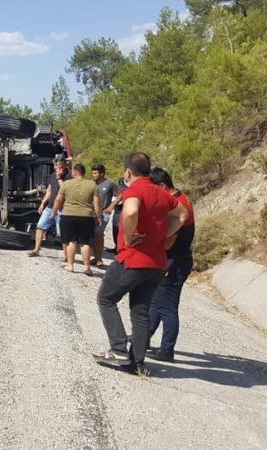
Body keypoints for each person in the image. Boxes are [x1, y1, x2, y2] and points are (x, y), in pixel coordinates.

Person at [92, 152, 188, 376]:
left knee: (105, 298)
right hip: (157, 263)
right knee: (141, 311)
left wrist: (128, 235)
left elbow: (132, 210)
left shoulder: (134, 190)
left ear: (127, 172)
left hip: (133, 258)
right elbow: (181, 215)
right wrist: (163, 235)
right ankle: (137, 361)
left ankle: (118, 351)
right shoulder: (161, 192)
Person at [148, 168, 195, 362]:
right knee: (155, 303)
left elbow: (169, 239)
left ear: (161, 186)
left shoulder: (177, 206)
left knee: (167, 307)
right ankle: (142, 338)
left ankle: (167, 351)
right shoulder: (180, 199)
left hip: (175, 261)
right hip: (174, 260)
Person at [53, 163, 101, 276]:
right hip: (86, 216)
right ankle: (87, 267)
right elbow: (97, 203)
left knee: (71, 241)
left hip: (69, 215)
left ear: (74, 172)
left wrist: (54, 212)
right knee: (85, 243)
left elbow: (58, 200)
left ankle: (70, 265)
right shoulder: (92, 185)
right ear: (84, 173)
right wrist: (98, 217)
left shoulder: (66, 184)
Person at [28, 157, 69, 257]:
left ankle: (66, 256)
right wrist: (43, 203)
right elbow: (50, 190)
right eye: (55, 166)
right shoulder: (52, 175)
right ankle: (36, 250)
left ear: (63, 166)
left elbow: (66, 189)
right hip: (50, 207)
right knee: (40, 226)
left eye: (58, 166)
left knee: (62, 233)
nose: (56, 168)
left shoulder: (69, 176)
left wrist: (59, 178)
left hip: (62, 208)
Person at [91, 164, 118, 269]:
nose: (93, 175)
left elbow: (122, 194)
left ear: (102, 174)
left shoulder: (110, 184)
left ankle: (99, 260)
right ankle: (94, 257)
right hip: (90, 213)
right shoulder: (91, 183)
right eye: (92, 173)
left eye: (96, 173)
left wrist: (112, 205)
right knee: (92, 235)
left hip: (103, 214)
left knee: (98, 234)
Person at [110, 178, 126, 254]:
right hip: (116, 213)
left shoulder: (125, 190)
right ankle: (116, 247)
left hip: (121, 212)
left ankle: (119, 248)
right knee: (115, 231)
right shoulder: (117, 189)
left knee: (119, 232)